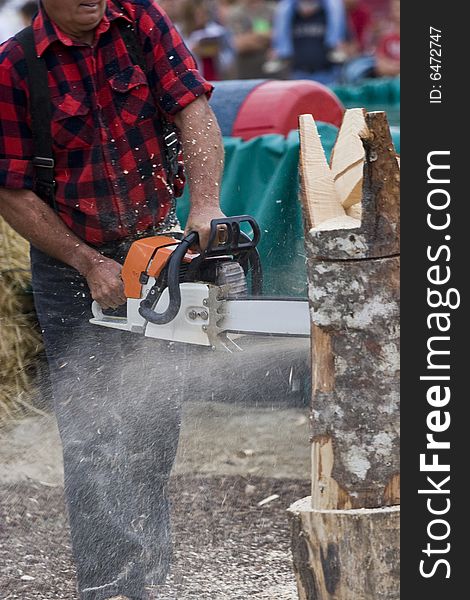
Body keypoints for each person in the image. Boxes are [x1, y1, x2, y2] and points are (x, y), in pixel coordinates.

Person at [0, 1, 225, 598]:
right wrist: (87, 262)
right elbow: (12, 191)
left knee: (153, 427)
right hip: (73, 261)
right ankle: (105, 587)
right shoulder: (16, 66)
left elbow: (194, 110)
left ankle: (147, 577)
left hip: (155, 244)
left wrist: (203, 206)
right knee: (94, 436)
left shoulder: (139, 21)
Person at [271, 0, 347, 85]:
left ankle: (333, 45)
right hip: (298, 74)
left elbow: (350, 42)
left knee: (335, 3)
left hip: (327, 74)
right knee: (283, 8)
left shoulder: (330, 9)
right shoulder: (288, 10)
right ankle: (282, 52)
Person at [180, 0, 235, 80]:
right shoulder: (181, 33)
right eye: (198, 14)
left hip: (216, 76)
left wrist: (217, 54)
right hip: (195, 79)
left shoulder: (218, 32)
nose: (202, 17)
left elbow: (230, 56)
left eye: (204, 14)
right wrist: (193, 51)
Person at [224, 0, 275, 79]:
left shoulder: (273, 10)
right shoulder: (235, 13)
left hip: (271, 70)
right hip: (246, 70)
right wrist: (266, 39)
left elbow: (277, 36)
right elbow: (239, 45)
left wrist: (250, 37)